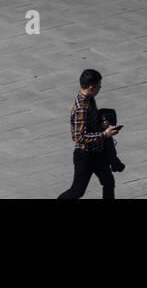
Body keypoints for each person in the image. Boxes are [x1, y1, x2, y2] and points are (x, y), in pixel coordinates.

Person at [56, 69, 121, 200]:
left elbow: (91, 121)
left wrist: (101, 123)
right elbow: (79, 137)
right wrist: (104, 134)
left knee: (109, 182)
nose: (100, 88)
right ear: (91, 87)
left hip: (97, 152)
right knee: (77, 191)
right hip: (85, 156)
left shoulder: (90, 98)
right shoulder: (81, 108)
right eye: (99, 85)